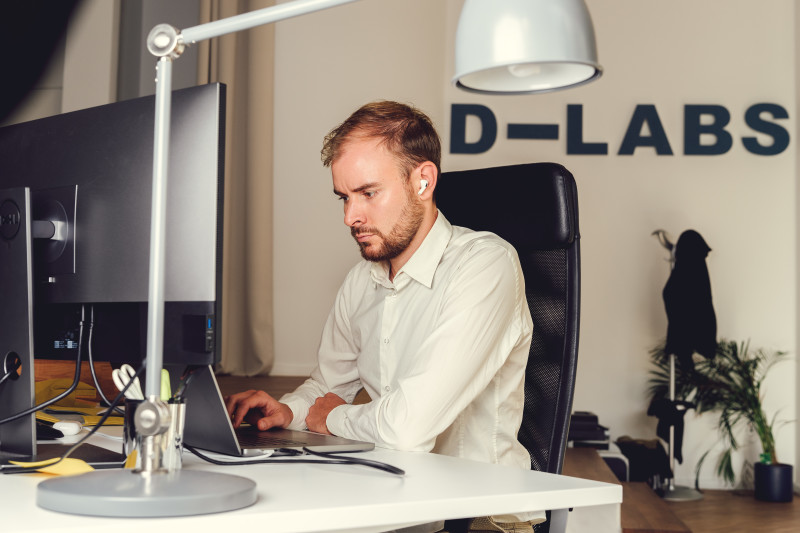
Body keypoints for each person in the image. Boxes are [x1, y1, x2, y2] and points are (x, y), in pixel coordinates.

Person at [225, 101, 543, 532]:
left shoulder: (486, 265)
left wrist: (330, 419)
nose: (349, 217)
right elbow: (327, 386)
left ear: (423, 181)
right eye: (344, 197)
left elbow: (406, 430)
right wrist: (288, 411)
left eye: (368, 193)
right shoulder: (361, 280)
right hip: (391, 498)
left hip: (476, 516)